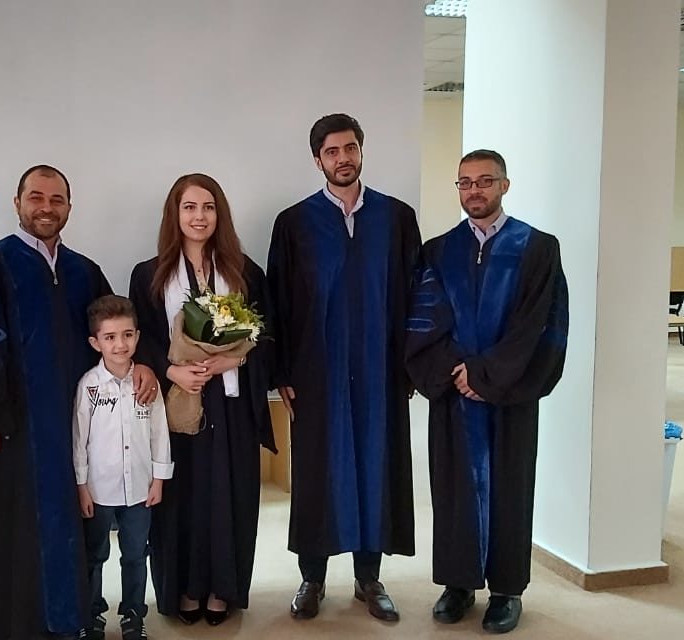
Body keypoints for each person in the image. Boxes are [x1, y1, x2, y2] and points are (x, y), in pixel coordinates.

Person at [0, 165, 159, 639]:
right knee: (11, 526)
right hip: (11, 428)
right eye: (36, 197)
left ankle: (74, 619)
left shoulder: (84, 272)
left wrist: (144, 365)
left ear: (69, 207)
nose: (46, 208)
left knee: (76, 526)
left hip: (78, 427)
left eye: (56, 199)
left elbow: (114, 337)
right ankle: (11, 627)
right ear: (17, 203)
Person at [404, 149, 569, 634]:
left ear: (504, 185)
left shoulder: (538, 248)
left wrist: (486, 376)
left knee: (510, 490)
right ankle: (457, 585)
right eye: (465, 182)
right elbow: (424, 319)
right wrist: (457, 372)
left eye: (484, 181)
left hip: (509, 397)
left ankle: (506, 590)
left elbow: (539, 326)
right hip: (455, 397)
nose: (474, 190)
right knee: (453, 490)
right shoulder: (437, 250)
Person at [266, 113, 420, 622]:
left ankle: (368, 578)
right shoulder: (294, 224)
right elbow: (278, 301)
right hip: (318, 375)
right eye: (332, 151)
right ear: (318, 161)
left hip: (379, 371)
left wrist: (409, 368)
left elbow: (415, 296)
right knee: (318, 474)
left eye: (350, 148)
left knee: (375, 469)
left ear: (361, 151)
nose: (343, 158)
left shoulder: (396, 218)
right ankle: (312, 578)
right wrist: (282, 373)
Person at [128, 174, 275, 626]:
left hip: (231, 406)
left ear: (219, 214)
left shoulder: (245, 273)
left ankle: (221, 589)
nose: (199, 216)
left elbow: (268, 336)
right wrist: (171, 370)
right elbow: (142, 340)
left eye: (208, 207)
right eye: (189, 207)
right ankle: (184, 589)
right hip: (176, 406)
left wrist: (233, 360)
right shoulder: (149, 275)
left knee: (229, 497)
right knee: (181, 500)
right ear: (175, 214)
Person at [73, 295, 174, 640]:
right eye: (110, 337)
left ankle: (133, 614)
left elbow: (160, 432)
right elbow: (79, 440)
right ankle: (91, 616)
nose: (120, 344)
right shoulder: (88, 386)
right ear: (95, 342)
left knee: (135, 554)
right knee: (94, 555)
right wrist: (82, 486)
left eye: (127, 335)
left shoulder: (146, 384)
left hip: (140, 490)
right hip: (99, 490)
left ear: (137, 336)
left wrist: (159, 479)